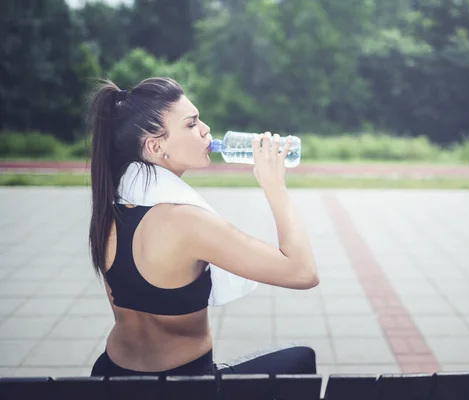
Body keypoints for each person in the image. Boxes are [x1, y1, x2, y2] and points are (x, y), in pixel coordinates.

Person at [87, 77, 319, 378]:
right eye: (191, 124)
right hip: (183, 386)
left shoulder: (111, 207)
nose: (205, 129)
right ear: (156, 145)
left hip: (109, 376)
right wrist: (275, 188)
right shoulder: (186, 222)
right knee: (301, 359)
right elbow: (303, 272)